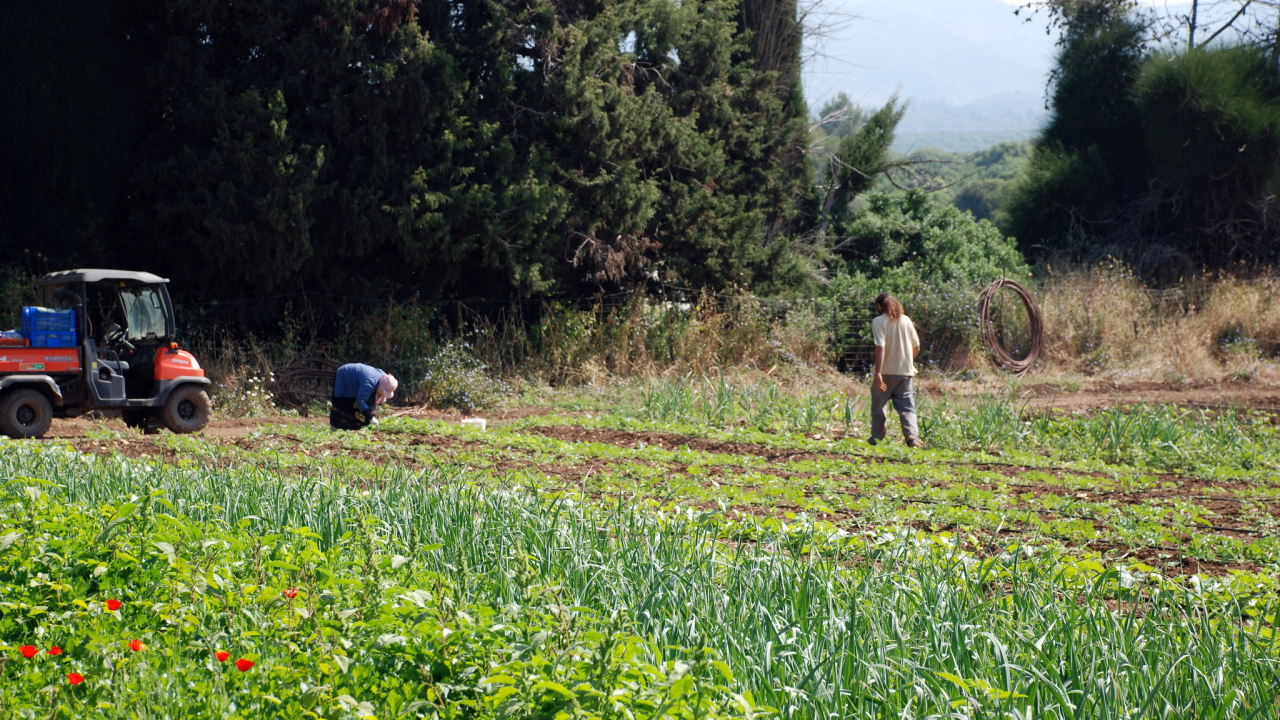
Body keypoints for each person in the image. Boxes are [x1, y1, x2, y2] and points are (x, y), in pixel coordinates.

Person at [869, 293, 922, 448]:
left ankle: (876, 439)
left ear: (879, 306)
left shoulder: (878, 322)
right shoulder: (906, 320)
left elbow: (880, 347)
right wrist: (907, 362)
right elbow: (916, 347)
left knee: (879, 406)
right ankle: (912, 439)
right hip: (905, 373)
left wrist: (878, 373)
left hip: (886, 373)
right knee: (907, 408)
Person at [331, 363, 398, 430]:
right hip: (344, 375)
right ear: (381, 386)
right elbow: (360, 401)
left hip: (357, 379)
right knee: (342, 403)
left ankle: (356, 427)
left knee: (365, 404)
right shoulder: (370, 382)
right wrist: (370, 418)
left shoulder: (383, 378)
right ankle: (335, 427)